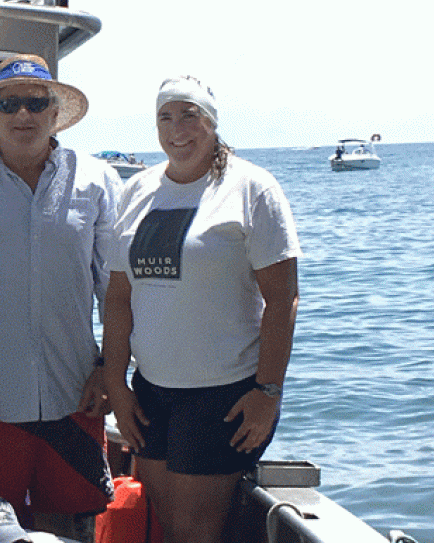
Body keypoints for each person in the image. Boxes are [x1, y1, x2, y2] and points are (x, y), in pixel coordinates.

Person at [0, 55, 120, 543]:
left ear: (55, 114)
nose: (23, 115)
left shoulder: (97, 181)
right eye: (10, 104)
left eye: (36, 103)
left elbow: (116, 290)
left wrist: (111, 370)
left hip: (77, 391)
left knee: (71, 530)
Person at [102, 76, 301, 543]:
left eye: (189, 115)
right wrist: (117, 383)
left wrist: (267, 392)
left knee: (195, 530)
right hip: (152, 390)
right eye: (165, 117)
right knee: (169, 523)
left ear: (211, 122)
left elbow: (282, 299)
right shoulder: (138, 191)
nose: (177, 129)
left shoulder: (252, 188)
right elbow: (117, 297)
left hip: (222, 392)